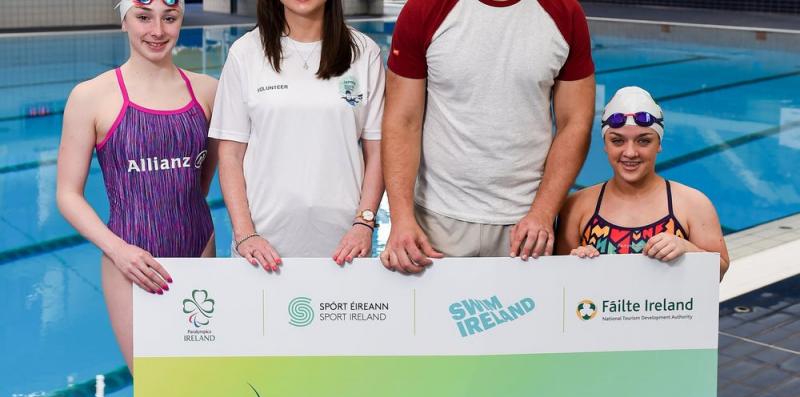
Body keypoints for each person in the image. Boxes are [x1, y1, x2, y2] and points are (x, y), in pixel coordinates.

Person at [56, 0, 218, 397]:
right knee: (159, 395)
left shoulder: (207, 91)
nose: (157, 31)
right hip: (129, 262)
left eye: (170, 18)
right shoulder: (91, 96)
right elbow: (67, 195)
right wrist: (119, 249)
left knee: (194, 392)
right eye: (144, 18)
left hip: (199, 249)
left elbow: (200, 183)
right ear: (124, 18)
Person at [380, 0, 596, 274]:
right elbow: (402, 120)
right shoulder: (425, 7)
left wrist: (543, 212)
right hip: (438, 219)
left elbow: (575, 122)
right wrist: (400, 219)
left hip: (526, 223)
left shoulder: (563, 11)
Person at [211, 0, 385, 269]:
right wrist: (245, 234)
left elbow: (378, 152)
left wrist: (364, 223)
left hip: (346, 245)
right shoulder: (245, 52)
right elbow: (230, 154)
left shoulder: (364, 53)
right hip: (260, 247)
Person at [556, 86, 730, 279]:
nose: (630, 152)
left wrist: (688, 249)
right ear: (605, 145)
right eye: (618, 141)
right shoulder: (577, 206)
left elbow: (719, 272)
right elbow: (559, 284)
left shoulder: (693, 204)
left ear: (659, 144)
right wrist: (576, 262)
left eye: (643, 141)